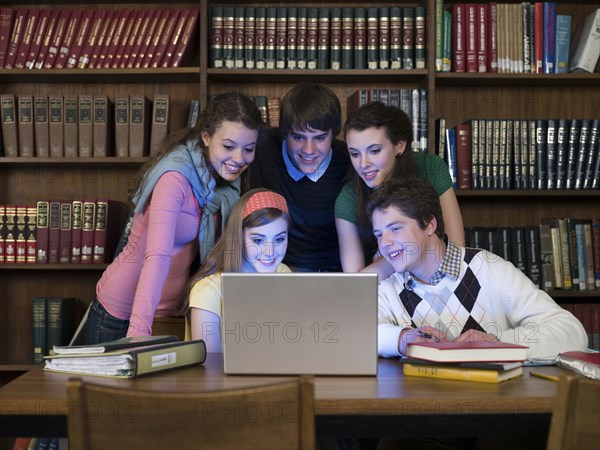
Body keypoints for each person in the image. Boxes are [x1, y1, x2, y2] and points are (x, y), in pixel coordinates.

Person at [85, 93, 265, 344]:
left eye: (249, 149)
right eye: (228, 146)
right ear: (206, 136)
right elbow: (158, 257)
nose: (238, 158)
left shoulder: (222, 180)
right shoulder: (174, 179)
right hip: (122, 318)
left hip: (173, 313)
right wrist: (138, 333)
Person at [369, 177, 587, 360]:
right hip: (417, 405)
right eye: (379, 235)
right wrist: (400, 339)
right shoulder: (387, 289)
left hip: (495, 404)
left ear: (429, 225)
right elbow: (352, 335)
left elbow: (572, 332)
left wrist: (497, 342)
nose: (385, 243)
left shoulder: (490, 269)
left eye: (395, 229)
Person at [335, 101, 465, 281]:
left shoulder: (430, 167)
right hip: (383, 290)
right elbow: (357, 282)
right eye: (355, 154)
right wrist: (413, 249)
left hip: (439, 279)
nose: (363, 164)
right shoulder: (348, 197)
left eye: (374, 151)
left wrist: (390, 255)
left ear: (399, 145)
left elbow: (457, 249)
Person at [249, 83, 349, 272]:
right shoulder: (261, 149)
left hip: (336, 270)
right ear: (284, 132)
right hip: (277, 268)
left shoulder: (349, 161)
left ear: (334, 134)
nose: (308, 150)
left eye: (319, 138)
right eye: (298, 137)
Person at [185, 188, 291, 352]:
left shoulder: (283, 273)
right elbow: (208, 368)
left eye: (279, 239)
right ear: (238, 237)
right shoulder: (208, 291)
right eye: (258, 240)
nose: (270, 251)